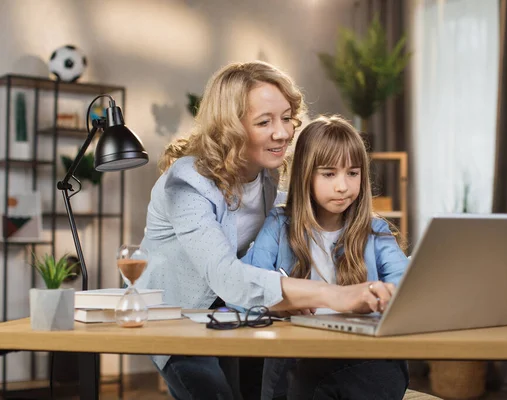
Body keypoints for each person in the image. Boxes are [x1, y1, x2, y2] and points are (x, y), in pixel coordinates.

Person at [136, 61, 397, 400]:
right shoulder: (186, 183)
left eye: (287, 117)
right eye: (264, 122)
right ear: (232, 128)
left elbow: (294, 212)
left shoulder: (266, 175)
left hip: (234, 311)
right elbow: (226, 276)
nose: (284, 132)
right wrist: (335, 294)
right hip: (175, 315)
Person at [241, 115, 410, 400]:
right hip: (296, 361)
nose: (343, 186)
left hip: (365, 357)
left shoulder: (375, 231)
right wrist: (279, 305)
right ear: (305, 175)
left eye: (353, 173)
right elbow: (242, 288)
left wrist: (382, 297)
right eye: (329, 174)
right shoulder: (279, 226)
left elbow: (406, 289)